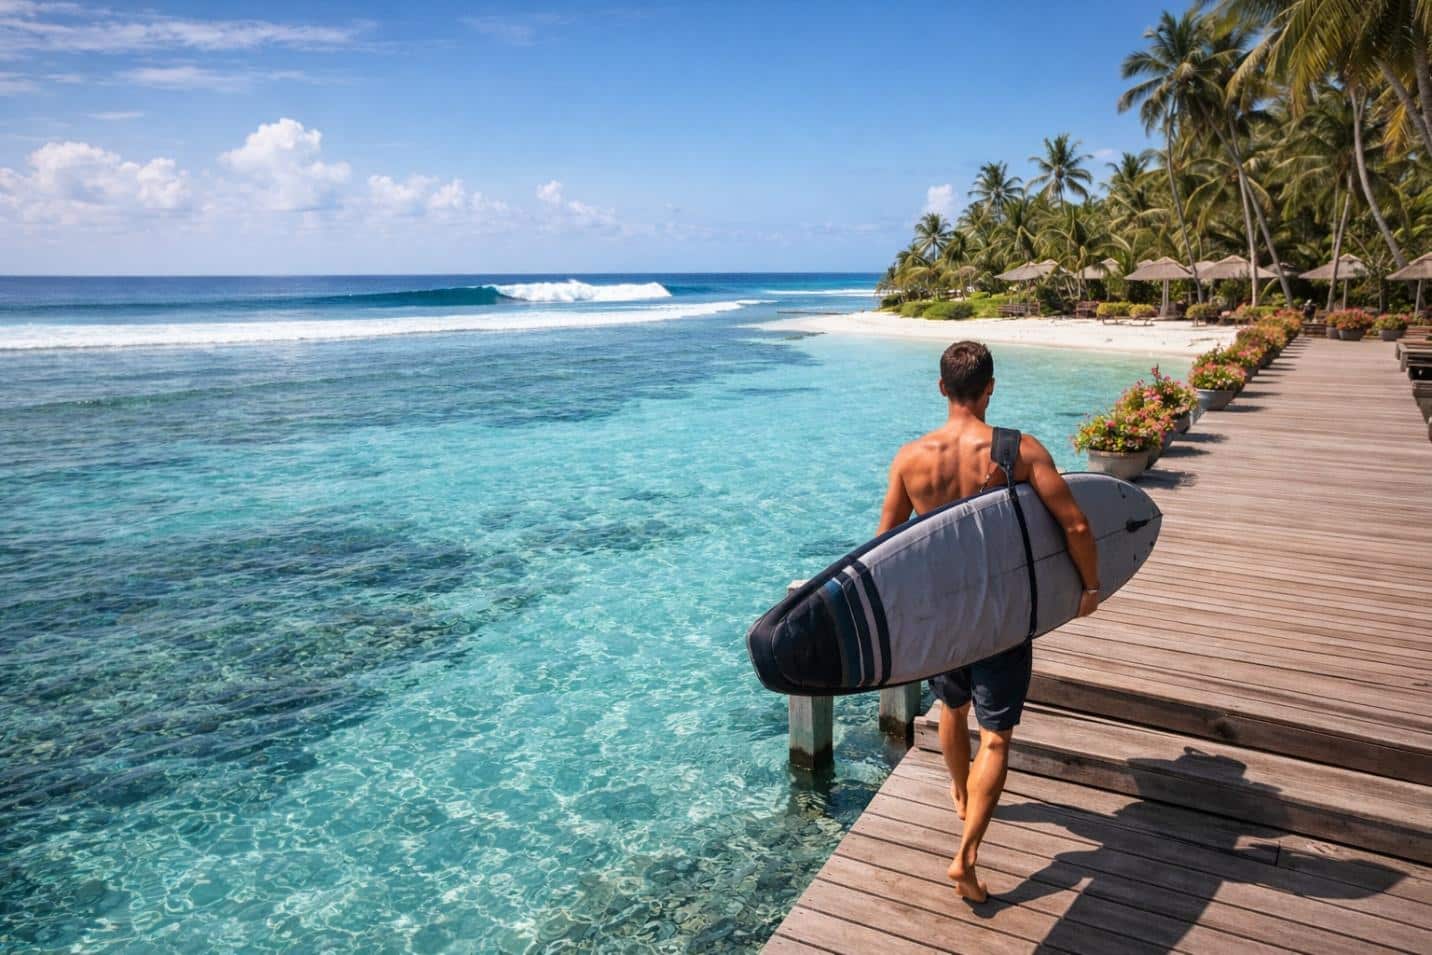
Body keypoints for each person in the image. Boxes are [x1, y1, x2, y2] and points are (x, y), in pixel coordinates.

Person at [875, 341, 1101, 904]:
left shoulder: (910, 458)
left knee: (951, 707)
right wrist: (1089, 587)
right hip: (1000, 617)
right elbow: (1074, 526)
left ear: (941, 387)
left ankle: (957, 788)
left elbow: (885, 550)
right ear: (991, 386)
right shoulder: (1017, 450)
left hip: (943, 618)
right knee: (996, 737)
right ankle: (966, 858)